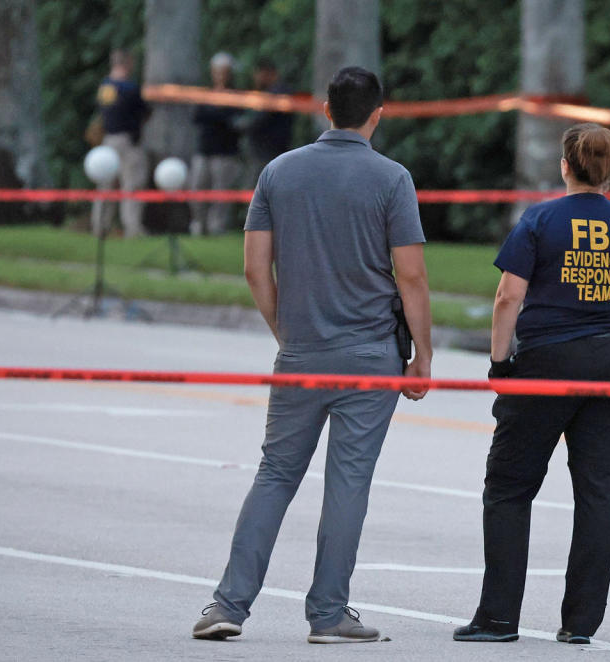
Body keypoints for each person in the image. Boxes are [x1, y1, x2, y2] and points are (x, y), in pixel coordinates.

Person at [193, 66, 432, 645]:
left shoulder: (279, 171)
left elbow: (255, 268)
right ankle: (327, 614)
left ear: (325, 109)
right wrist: (422, 356)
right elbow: (412, 274)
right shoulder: (392, 179)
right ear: (378, 114)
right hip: (373, 355)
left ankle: (228, 604)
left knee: (275, 475)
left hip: (302, 353)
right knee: (348, 483)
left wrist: (286, 332)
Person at [454, 123, 610, 646]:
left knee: (509, 488)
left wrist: (500, 364)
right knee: (598, 497)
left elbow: (508, 297)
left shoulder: (539, 220)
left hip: (545, 368)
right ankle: (579, 624)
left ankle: (499, 618)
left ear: (564, 167)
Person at [91, 49, 150, 238]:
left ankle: (100, 225)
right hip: (128, 141)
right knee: (132, 184)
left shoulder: (105, 87)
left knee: (105, 184)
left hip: (108, 139)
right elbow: (144, 111)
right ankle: (132, 228)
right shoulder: (130, 88)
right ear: (127, 63)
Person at [189, 52, 243, 236]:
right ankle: (199, 224)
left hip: (225, 152)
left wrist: (216, 115)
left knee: (221, 193)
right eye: (216, 71)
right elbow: (198, 117)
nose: (220, 75)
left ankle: (216, 227)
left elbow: (232, 121)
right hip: (204, 149)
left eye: (223, 72)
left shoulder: (237, 95)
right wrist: (218, 115)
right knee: (197, 188)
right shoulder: (206, 94)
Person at [237, 58, 294, 187]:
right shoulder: (271, 93)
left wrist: (242, 124)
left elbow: (259, 119)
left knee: (257, 189)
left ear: (269, 73)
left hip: (268, 152)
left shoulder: (278, 92)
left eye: (259, 74)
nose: (256, 78)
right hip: (265, 151)